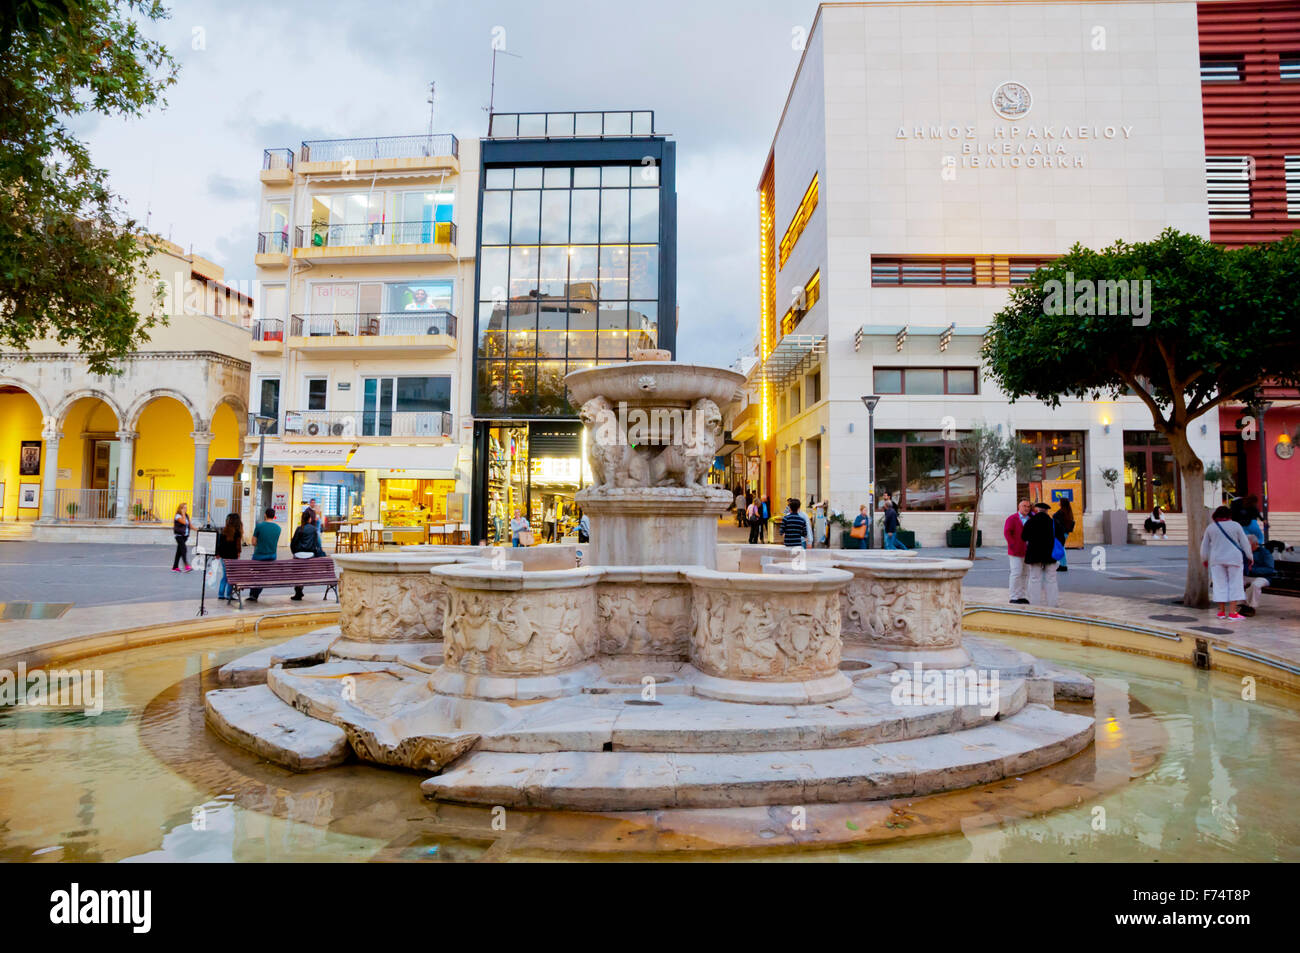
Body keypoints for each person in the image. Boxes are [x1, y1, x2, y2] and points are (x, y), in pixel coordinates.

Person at [1201, 505, 1253, 621]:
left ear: (1216, 515)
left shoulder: (1211, 527)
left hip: (1217, 559)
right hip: (1234, 558)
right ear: (1229, 515)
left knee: (1219, 584)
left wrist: (1204, 559)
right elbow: (1245, 543)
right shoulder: (1236, 525)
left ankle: (1221, 612)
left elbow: (1204, 545)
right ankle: (1233, 612)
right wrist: (1250, 557)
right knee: (1235, 583)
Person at [1022, 502, 1060, 607]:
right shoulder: (1053, 522)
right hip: (1050, 554)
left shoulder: (1030, 522)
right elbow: (1060, 538)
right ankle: (1052, 603)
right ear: (1047, 511)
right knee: (1051, 579)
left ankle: (1034, 604)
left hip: (1034, 554)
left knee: (1034, 578)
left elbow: (1024, 537)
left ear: (1037, 510)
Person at [289, 509, 326, 601]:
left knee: (298, 573)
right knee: (304, 572)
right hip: (310, 555)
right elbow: (317, 543)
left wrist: (295, 553)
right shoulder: (314, 529)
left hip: (298, 555)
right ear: (309, 519)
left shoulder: (299, 529)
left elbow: (293, 543)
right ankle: (300, 590)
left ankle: (298, 591)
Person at [1240, 517, 1274, 616]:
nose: (1246, 547)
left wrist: (1253, 570)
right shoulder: (1245, 552)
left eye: (1248, 545)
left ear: (1255, 544)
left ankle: (1251, 607)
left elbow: (1270, 569)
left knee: (1255, 585)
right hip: (1249, 575)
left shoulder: (1265, 553)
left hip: (1263, 577)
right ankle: (1243, 605)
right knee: (1237, 582)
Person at [246, 508, 280, 603]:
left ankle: (253, 594)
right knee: (263, 576)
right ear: (274, 516)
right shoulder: (278, 528)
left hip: (259, 555)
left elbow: (253, 542)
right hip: (272, 556)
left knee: (255, 575)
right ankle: (255, 594)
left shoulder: (259, 526)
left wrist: (260, 544)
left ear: (265, 515)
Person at [1003, 499, 1032, 604]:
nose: (1026, 508)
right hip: (1015, 551)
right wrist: (1013, 545)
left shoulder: (1031, 518)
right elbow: (1007, 532)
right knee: (1016, 573)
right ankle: (1014, 596)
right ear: (1019, 507)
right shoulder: (1012, 518)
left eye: (1028, 506)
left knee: (1025, 574)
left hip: (1027, 551)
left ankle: (1022, 595)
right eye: (1024, 506)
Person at [215, 512, 243, 602]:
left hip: (224, 557)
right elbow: (238, 546)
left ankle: (220, 594)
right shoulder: (237, 532)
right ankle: (228, 595)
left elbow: (219, 544)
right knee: (231, 576)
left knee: (225, 576)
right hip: (233, 557)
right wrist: (238, 553)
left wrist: (218, 553)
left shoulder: (224, 531)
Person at [1052, 498, 1075, 571]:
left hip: (1060, 533)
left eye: (1059, 501)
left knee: (1061, 548)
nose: (1058, 502)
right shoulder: (1067, 512)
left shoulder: (1061, 512)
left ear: (1062, 503)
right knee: (1061, 548)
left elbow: (1058, 523)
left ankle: (1063, 565)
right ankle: (1062, 564)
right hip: (1064, 533)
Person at [171, 503, 193, 572]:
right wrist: (183, 514)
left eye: (186, 508)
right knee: (184, 549)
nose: (185, 509)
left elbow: (190, 525)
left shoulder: (186, 516)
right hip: (179, 536)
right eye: (184, 508)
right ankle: (186, 566)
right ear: (180, 508)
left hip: (184, 536)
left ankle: (175, 567)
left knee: (179, 552)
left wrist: (198, 529)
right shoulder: (178, 516)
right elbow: (183, 522)